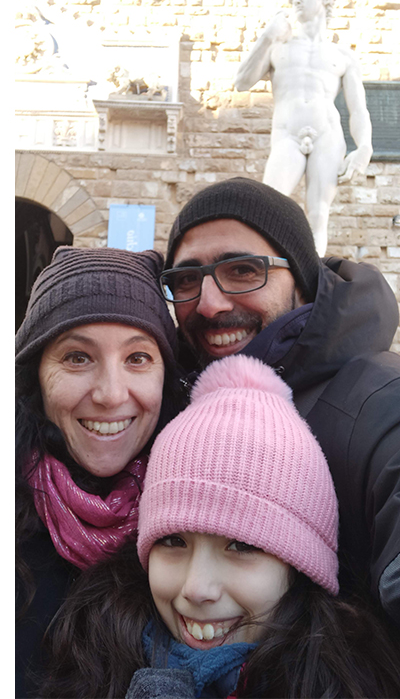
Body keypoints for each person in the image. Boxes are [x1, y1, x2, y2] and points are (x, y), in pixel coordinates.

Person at [41, 356, 400, 698]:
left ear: (302, 567)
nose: (196, 589)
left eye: (241, 546)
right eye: (172, 540)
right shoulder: (92, 663)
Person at [160, 176, 400, 628]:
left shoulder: (380, 403)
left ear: (304, 285)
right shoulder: (169, 399)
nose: (209, 303)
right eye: (187, 279)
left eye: (244, 270)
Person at [15, 246, 186, 697]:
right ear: (36, 376)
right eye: (77, 357)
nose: (111, 395)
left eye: (137, 358)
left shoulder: (199, 519)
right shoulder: (5, 523)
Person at [234, 0, 372, 255]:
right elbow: (241, 82)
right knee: (269, 205)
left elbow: (358, 109)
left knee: (319, 213)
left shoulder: (342, 56)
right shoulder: (278, 47)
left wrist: (365, 148)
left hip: (328, 135)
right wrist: (266, 36)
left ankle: (314, 282)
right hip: (288, 134)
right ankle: (267, 272)